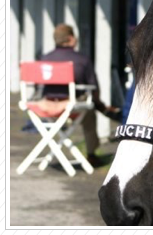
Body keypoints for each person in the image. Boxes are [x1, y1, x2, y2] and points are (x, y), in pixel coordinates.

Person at [40, 24, 121, 167]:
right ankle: (91, 154)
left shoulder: (44, 59)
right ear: (71, 39)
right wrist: (98, 103)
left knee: (87, 104)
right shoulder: (81, 60)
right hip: (70, 105)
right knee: (90, 112)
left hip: (46, 106)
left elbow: (38, 85)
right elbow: (93, 86)